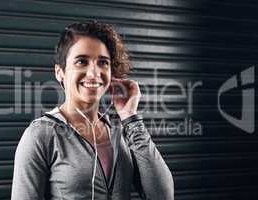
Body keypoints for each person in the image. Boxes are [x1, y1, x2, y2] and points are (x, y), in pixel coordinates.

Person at [11, 21, 174, 200]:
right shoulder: (41, 134)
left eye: (103, 62)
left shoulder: (121, 132)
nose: (94, 73)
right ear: (60, 72)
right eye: (82, 61)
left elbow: (163, 195)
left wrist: (130, 117)